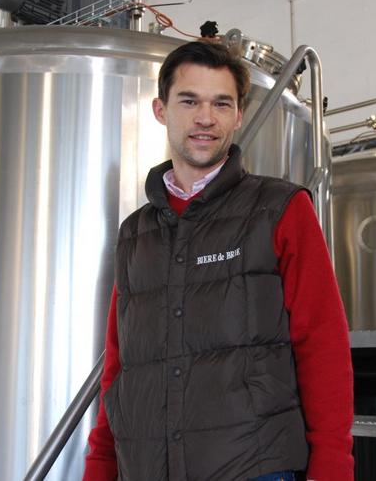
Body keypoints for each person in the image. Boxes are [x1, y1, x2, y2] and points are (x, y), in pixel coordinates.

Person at [83, 40, 353, 481]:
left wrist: (332, 470)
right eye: (189, 101)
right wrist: (100, 468)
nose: (206, 118)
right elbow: (121, 367)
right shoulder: (135, 234)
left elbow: (323, 346)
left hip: (254, 469)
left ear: (239, 115)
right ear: (160, 110)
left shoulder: (280, 208)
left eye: (221, 104)